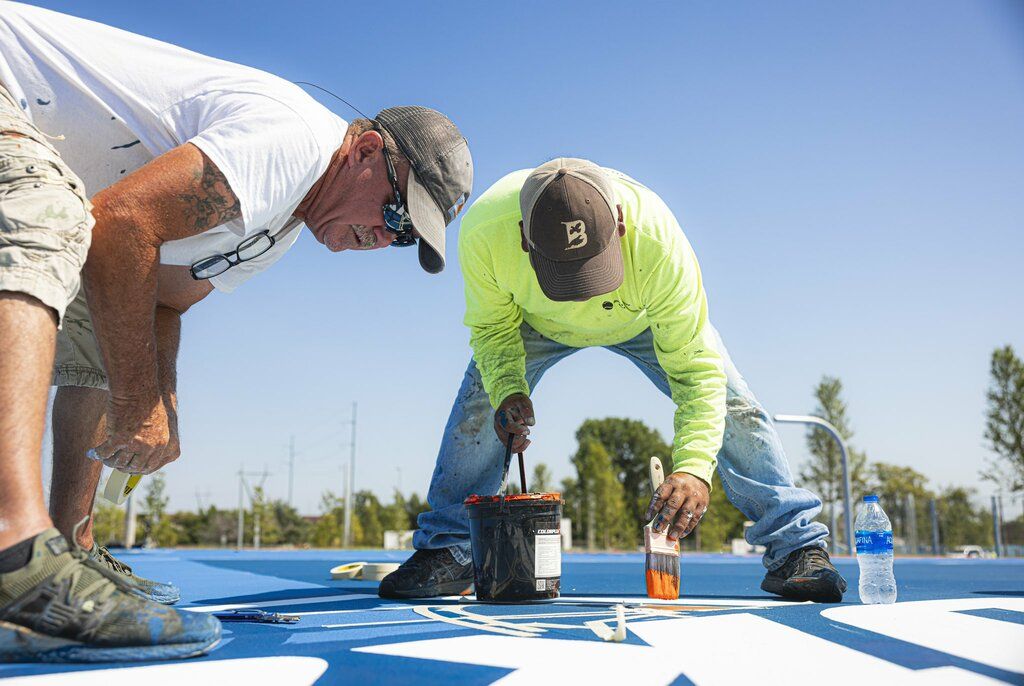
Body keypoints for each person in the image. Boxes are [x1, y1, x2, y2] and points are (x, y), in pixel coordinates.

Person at [0, 2, 471, 662]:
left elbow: (161, 298)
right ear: (365, 149)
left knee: (99, 324)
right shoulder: (295, 143)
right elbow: (122, 225)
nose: (385, 236)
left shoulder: (276, 229)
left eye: (403, 238)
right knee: (41, 212)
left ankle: (69, 552)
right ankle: (13, 550)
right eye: (396, 209)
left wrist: (161, 405)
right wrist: (137, 404)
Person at [379, 158, 846, 603]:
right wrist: (508, 391)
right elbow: (493, 331)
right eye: (566, 276)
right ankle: (452, 546)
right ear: (523, 238)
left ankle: (795, 545)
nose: (581, 294)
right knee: (480, 405)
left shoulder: (658, 240)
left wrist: (693, 467)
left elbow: (695, 371)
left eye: (592, 270)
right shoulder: (485, 232)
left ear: (620, 224)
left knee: (734, 404)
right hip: (532, 321)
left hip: (640, 318)